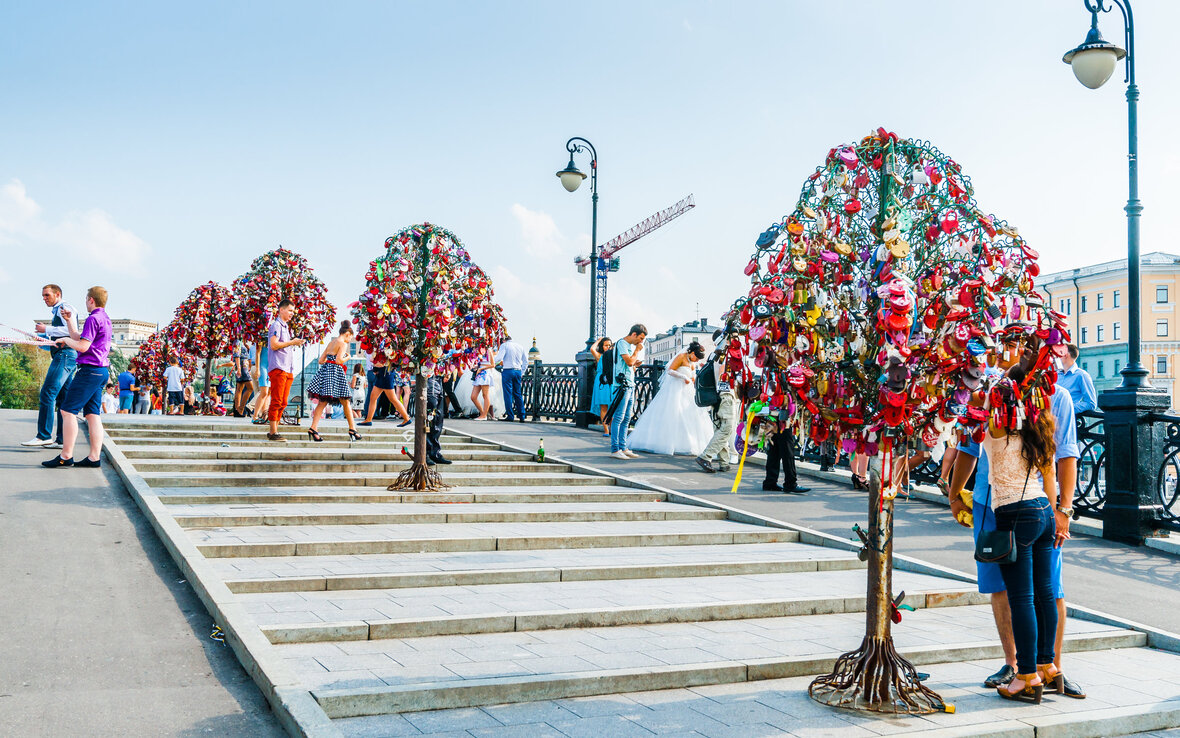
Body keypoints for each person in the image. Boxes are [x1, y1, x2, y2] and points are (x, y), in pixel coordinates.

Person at [950, 331, 1084, 699]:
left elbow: (968, 443)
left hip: (1012, 509)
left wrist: (1066, 511)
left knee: (1028, 594)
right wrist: (1055, 507)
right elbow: (1050, 466)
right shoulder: (1038, 415)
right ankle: (1040, 665)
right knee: (1027, 589)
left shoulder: (997, 404)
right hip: (1035, 504)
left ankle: (1028, 674)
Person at [42, 286, 113, 469]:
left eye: (86, 299)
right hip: (101, 371)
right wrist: (69, 323)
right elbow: (80, 337)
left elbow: (82, 346)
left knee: (67, 411)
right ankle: (93, 457)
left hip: (89, 371)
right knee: (92, 414)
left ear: (91, 300)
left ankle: (66, 455)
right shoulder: (105, 318)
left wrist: (64, 340)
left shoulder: (92, 318)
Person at [628, 340, 714, 456]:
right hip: (675, 389)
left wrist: (693, 379)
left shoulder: (693, 362)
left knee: (688, 415)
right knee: (673, 413)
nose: (697, 361)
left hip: (687, 390)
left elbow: (693, 374)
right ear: (692, 353)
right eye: (697, 358)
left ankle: (688, 443)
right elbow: (670, 370)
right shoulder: (681, 357)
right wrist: (683, 376)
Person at [22, 284, 78, 448]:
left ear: (57, 294)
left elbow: (69, 331)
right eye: (43, 296)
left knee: (48, 392)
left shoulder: (65, 308)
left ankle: (43, 435)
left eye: (47, 295)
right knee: (63, 398)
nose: (44, 298)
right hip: (66, 354)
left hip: (65, 355)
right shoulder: (59, 309)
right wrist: (42, 338)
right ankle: (62, 440)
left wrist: (45, 329)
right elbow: (60, 336)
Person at [305, 321, 362, 442]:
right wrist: (348, 357)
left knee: (323, 402)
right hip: (336, 373)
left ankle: (313, 428)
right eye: (350, 338)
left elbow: (321, 360)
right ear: (347, 334)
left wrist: (329, 364)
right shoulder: (342, 343)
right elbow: (339, 360)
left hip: (326, 372)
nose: (349, 340)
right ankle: (352, 429)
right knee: (346, 401)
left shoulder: (331, 342)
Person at [697, 330, 738, 473]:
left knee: (720, 428)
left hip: (715, 396)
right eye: (733, 338)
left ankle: (724, 462)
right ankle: (705, 457)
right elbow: (723, 375)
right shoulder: (727, 355)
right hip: (726, 395)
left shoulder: (713, 355)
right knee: (727, 428)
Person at [266, 299, 306, 442]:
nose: (291, 314)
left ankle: (275, 429)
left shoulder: (285, 327)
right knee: (276, 400)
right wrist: (292, 342)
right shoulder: (276, 325)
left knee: (283, 401)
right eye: (289, 311)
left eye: (292, 312)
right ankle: (273, 431)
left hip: (287, 368)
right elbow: (274, 345)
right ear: (281, 310)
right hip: (278, 367)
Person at [608, 324, 647, 460]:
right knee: (619, 417)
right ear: (634, 334)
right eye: (640, 338)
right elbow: (629, 362)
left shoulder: (628, 346)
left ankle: (623, 447)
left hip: (629, 384)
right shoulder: (623, 344)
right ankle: (615, 449)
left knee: (626, 418)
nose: (641, 342)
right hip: (621, 385)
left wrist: (635, 363)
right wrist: (637, 351)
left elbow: (629, 365)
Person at [358, 355, 412, 427]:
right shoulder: (384, 349)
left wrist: (374, 362)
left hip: (386, 375)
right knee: (373, 397)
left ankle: (406, 418)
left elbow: (383, 363)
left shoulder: (389, 350)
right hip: (383, 375)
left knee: (392, 399)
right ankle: (368, 419)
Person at [763, 423, 811, 494]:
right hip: (783, 418)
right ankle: (790, 483)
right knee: (787, 450)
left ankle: (770, 482)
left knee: (774, 449)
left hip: (773, 417)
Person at [1057, 344, 1098, 414]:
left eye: (1060, 353)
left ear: (1065, 354)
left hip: (1066, 420)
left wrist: (1068, 408)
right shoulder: (1056, 374)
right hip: (1049, 420)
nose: (1057, 356)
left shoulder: (1082, 375)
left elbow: (1091, 403)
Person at [495, 335, 527, 422]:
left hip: (508, 371)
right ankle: (522, 416)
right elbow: (525, 362)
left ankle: (510, 415)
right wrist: (522, 372)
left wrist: (492, 363)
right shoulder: (520, 346)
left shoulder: (504, 345)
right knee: (518, 393)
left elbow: (499, 358)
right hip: (518, 371)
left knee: (508, 394)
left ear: (504, 340)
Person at [422, 367, 450, 465]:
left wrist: (447, 371)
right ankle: (425, 453)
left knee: (438, 418)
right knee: (429, 420)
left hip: (437, 379)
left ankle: (434, 452)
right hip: (428, 379)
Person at [589, 337, 615, 435]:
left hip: (611, 381)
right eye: (606, 345)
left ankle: (612, 428)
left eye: (609, 345)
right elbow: (592, 349)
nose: (608, 347)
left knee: (612, 406)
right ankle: (606, 429)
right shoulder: (600, 356)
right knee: (604, 406)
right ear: (602, 346)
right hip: (601, 382)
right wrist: (599, 340)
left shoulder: (613, 357)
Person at [231, 340, 254, 417]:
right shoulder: (237, 342)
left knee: (239, 388)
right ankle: (241, 408)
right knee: (250, 388)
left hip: (242, 366)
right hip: (243, 367)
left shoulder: (240, 342)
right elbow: (236, 356)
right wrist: (239, 369)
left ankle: (238, 410)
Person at [470, 348, 495, 420]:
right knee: (473, 397)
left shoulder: (488, 350)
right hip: (479, 374)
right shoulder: (477, 350)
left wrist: (481, 368)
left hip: (485, 374)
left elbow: (493, 365)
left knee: (485, 395)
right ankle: (483, 414)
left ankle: (484, 415)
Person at [251, 341, 271, 424]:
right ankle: (255, 416)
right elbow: (258, 353)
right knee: (263, 392)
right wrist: (258, 369)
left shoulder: (272, 336)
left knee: (268, 393)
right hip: (262, 367)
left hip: (270, 366)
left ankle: (264, 415)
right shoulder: (261, 338)